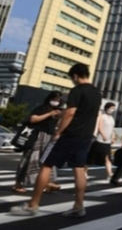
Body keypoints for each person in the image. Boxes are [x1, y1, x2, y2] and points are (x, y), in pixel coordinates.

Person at [10, 63, 102, 217]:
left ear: (75, 76)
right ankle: (79, 206)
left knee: (46, 165)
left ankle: (33, 205)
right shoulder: (96, 93)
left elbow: (71, 113)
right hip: (85, 136)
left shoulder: (77, 90)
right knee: (79, 169)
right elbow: (86, 113)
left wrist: (58, 132)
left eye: (72, 78)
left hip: (69, 135)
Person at [12, 91, 63, 193]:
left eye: (58, 100)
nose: (56, 102)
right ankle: (18, 183)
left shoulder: (58, 111)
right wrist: (49, 114)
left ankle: (48, 183)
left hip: (49, 137)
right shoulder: (42, 108)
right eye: (54, 99)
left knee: (47, 161)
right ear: (49, 99)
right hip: (37, 136)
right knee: (29, 159)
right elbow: (33, 119)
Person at [87, 102, 116, 179]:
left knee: (107, 158)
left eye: (113, 108)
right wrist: (103, 135)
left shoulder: (112, 118)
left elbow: (112, 129)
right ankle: (84, 171)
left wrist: (113, 137)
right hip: (99, 140)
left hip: (107, 142)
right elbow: (99, 127)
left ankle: (110, 174)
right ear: (106, 108)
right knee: (90, 157)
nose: (112, 110)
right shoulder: (102, 116)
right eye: (111, 108)